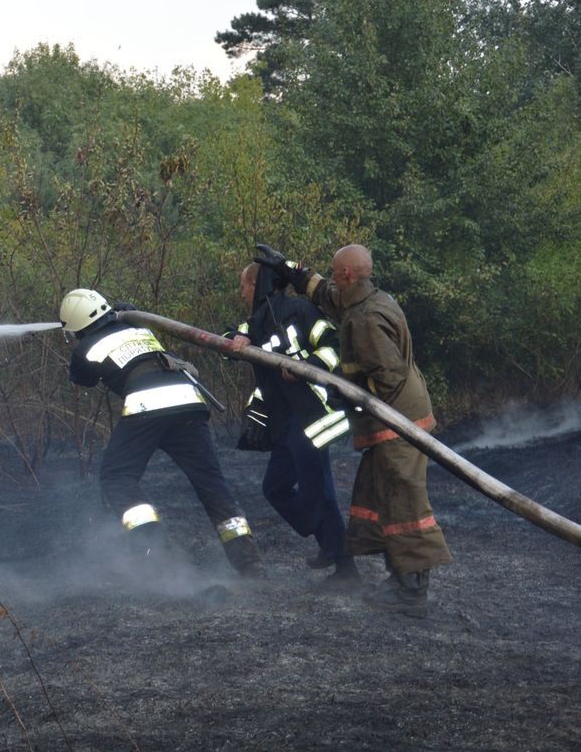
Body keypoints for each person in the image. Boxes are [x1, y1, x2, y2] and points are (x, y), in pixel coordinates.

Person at [255, 243, 453, 617]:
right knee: (382, 496)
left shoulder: (365, 318)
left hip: (398, 421)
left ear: (347, 274)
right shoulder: (368, 298)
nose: (330, 276)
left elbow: (388, 377)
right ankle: (400, 580)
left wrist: (336, 386)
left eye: (334, 271)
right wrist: (292, 268)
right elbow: (328, 296)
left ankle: (412, 592)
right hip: (396, 418)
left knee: (402, 499)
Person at [59, 288, 262, 577]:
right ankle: (248, 560)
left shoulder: (85, 347)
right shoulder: (135, 326)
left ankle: (157, 554)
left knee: (116, 477)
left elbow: (83, 379)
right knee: (210, 481)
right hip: (188, 400)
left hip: (148, 404)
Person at [229, 261, 358, 584]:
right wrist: (235, 340)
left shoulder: (300, 310)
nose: (241, 292)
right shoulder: (256, 322)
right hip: (284, 421)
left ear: (257, 286)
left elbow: (333, 347)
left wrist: (307, 367)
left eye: (244, 285)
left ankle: (344, 566)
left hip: (312, 413)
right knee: (275, 487)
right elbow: (232, 340)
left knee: (320, 491)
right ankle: (325, 539)